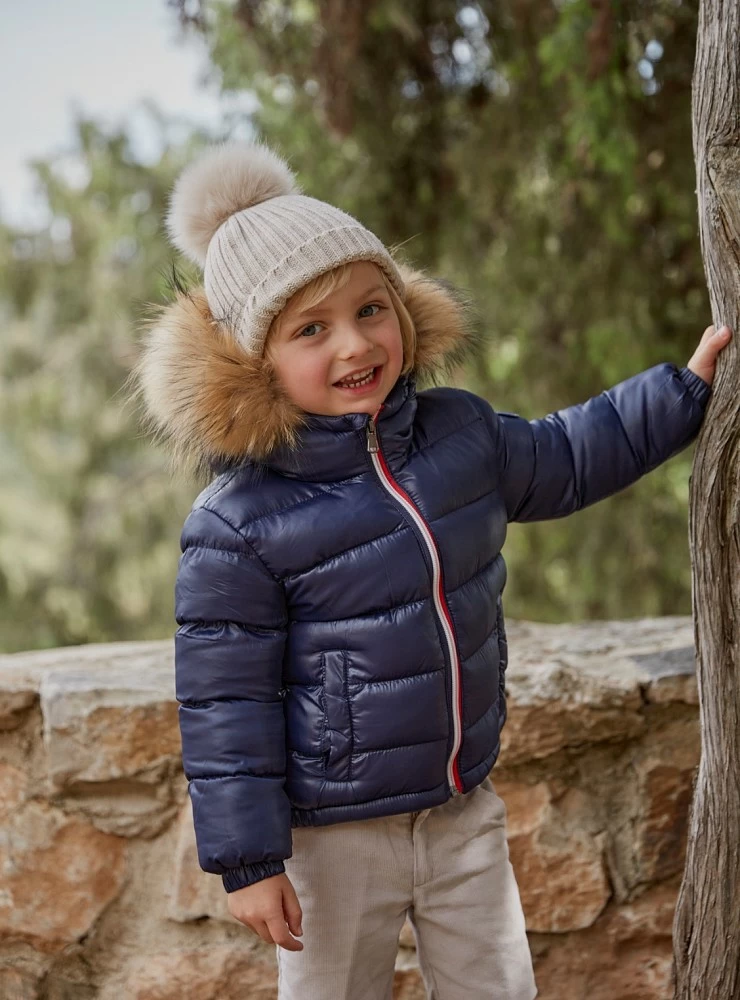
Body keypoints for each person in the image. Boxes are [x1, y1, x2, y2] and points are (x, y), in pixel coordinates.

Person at [134, 140, 731, 1000]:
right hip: (328, 838)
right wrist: (250, 862)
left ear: (404, 307)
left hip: (460, 808)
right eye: (311, 329)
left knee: (497, 986)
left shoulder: (462, 436)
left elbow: (567, 454)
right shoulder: (238, 522)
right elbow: (225, 701)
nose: (355, 344)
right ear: (254, 361)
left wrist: (678, 392)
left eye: (372, 308)